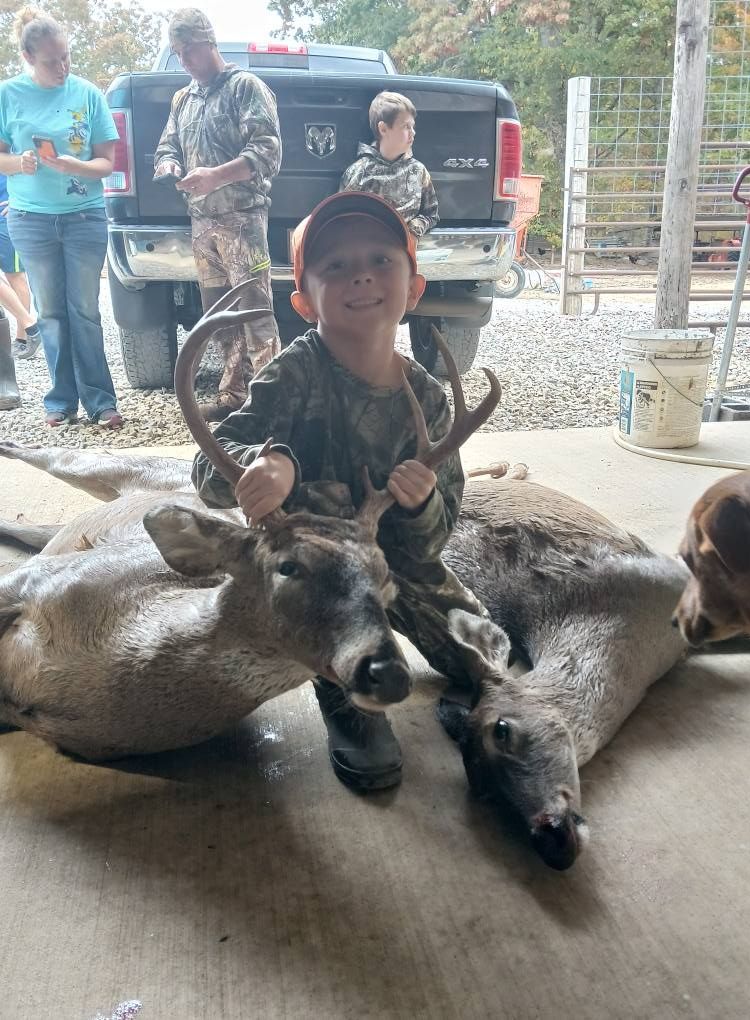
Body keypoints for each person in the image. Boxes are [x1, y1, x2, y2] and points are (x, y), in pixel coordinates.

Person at [192, 191, 486, 792]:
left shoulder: (427, 398)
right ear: (302, 302)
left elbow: (440, 531)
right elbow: (206, 470)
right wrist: (266, 466)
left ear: (414, 288)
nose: (360, 274)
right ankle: (346, 693)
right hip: (316, 569)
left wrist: (424, 502)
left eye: (382, 259)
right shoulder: (289, 374)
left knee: (487, 660)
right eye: (334, 267)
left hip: (396, 560)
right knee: (337, 626)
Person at [154, 8, 282, 422]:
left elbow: (267, 152)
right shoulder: (182, 98)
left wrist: (216, 177)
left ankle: (268, 403)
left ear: (209, 42)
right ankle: (233, 396)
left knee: (256, 312)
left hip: (243, 221)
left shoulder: (245, 87)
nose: (185, 60)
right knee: (218, 317)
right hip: (202, 225)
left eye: (189, 49)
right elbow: (167, 146)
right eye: (177, 53)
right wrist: (169, 166)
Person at [0, 7, 123, 429]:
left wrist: (75, 167)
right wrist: (19, 163)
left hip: (84, 217)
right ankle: (60, 401)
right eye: (52, 60)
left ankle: (102, 401)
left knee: (85, 310)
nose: (62, 67)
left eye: (66, 56)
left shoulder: (87, 93)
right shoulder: (7, 95)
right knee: (51, 312)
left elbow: (108, 162)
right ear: (29, 57)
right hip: (31, 221)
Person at [339, 90, 438, 237]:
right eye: (406, 126)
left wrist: (413, 231)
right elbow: (341, 219)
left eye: (413, 126)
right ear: (383, 129)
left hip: (403, 253)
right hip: (367, 252)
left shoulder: (418, 171)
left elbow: (431, 214)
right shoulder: (358, 172)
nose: (413, 132)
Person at [0, 173, 41, 359]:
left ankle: (23, 338)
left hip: (6, 216)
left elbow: (34, 165)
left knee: (15, 276)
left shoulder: (8, 144)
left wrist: (20, 200)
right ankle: (31, 327)